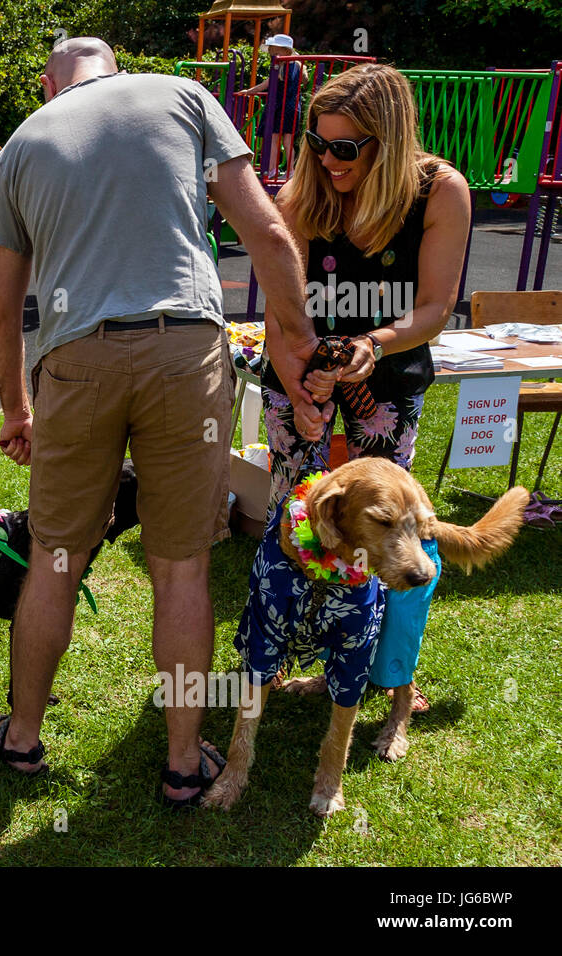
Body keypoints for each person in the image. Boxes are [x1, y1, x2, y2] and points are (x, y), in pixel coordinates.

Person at [0, 38, 316, 805]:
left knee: (57, 555)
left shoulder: (24, 141)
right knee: (183, 564)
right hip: (185, 352)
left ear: (48, 80)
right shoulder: (184, 96)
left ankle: (23, 736)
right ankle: (183, 759)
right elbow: (267, 233)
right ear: (118, 70)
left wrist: (17, 411)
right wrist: (296, 344)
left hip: (77, 360)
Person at [263, 62, 472, 717]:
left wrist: (372, 344)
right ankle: (285, 657)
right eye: (317, 144)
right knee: (298, 523)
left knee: (388, 534)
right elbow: (278, 309)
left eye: (345, 148)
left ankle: (375, 670)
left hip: (388, 380)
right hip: (299, 374)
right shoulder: (301, 194)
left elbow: (436, 307)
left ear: (389, 140)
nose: (327, 160)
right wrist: (297, 385)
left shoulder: (440, 192)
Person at [237, 35, 302, 177]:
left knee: (273, 137)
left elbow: (266, 84)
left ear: (286, 52)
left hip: (279, 106)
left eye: (276, 51)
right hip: (292, 106)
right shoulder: (297, 65)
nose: (273, 54)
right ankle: (290, 171)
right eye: (272, 51)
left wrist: (249, 91)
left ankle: (272, 169)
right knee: (288, 140)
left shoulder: (281, 67)